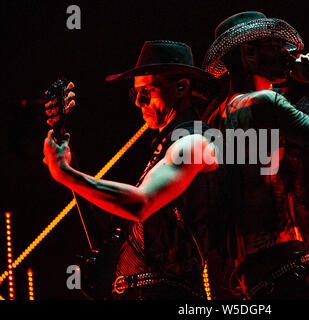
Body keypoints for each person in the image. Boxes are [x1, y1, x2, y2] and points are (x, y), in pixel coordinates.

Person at [43, 40, 220, 299]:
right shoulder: (165, 148)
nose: (138, 102)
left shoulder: (195, 142)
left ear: (181, 86)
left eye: (147, 91)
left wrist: (66, 174)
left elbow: (141, 203)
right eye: (135, 93)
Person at [202, 12, 309, 299]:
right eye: (275, 46)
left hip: (253, 274)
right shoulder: (264, 102)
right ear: (249, 53)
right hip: (286, 266)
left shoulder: (218, 114)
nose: (289, 54)